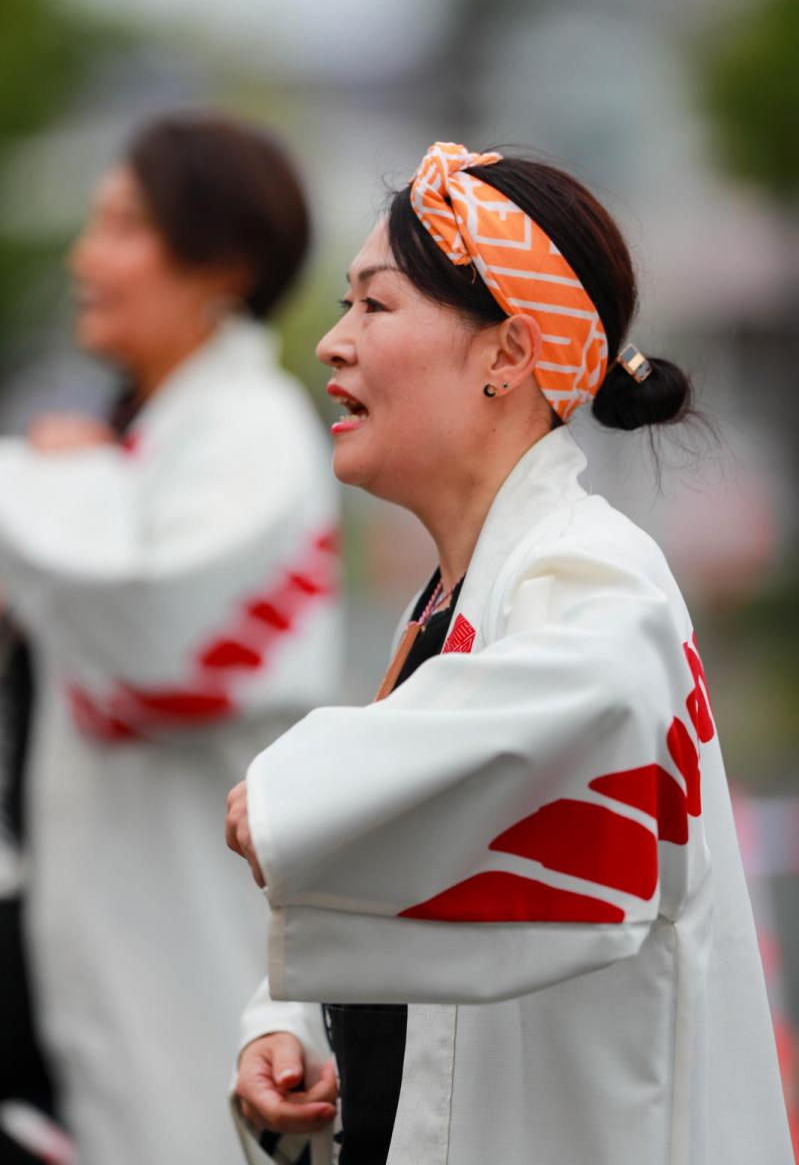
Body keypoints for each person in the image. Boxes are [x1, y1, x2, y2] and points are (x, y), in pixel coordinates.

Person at [225, 142, 793, 1165]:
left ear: (507, 354)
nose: (331, 344)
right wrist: (293, 1024)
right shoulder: (459, 596)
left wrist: (298, 787)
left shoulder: (597, 574)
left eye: (374, 306)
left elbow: (588, 697)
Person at [0, 113, 340, 1165]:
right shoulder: (143, 436)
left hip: (187, 924)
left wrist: (65, 481)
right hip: (101, 918)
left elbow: (149, 621)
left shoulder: (251, 431)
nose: (85, 257)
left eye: (121, 226)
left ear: (221, 262)